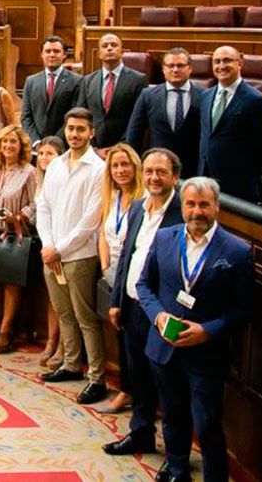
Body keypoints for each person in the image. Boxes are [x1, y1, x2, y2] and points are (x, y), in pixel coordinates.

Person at [136, 177, 254, 482]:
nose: (197, 211)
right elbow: (144, 286)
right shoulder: (164, 237)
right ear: (182, 205)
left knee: (207, 424)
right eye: (190, 204)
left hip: (206, 354)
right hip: (163, 346)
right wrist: (159, 316)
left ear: (216, 207)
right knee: (172, 415)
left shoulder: (237, 252)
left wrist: (207, 330)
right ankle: (177, 471)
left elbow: (243, 311)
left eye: (204, 204)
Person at [104, 147, 184, 458]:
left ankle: (176, 456)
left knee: (168, 384)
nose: (153, 177)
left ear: (174, 176)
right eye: (149, 171)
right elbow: (126, 256)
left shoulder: (182, 211)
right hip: (133, 306)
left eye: (161, 172)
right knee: (137, 377)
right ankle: (141, 434)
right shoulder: (138, 207)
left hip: (162, 312)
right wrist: (116, 300)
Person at [36, 107, 108, 405]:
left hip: (80, 254)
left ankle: (97, 378)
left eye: (81, 129)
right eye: (71, 129)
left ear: (91, 133)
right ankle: (70, 364)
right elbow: (43, 206)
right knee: (64, 313)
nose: (75, 134)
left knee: (85, 317)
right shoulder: (55, 164)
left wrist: (59, 249)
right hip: (51, 252)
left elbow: (91, 220)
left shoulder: (98, 169)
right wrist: (48, 245)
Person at [95, 142, 145, 413]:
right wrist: (105, 265)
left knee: (133, 340)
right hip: (112, 272)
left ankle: (132, 392)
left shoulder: (144, 199)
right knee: (120, 334)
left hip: (134, 277)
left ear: (135, 166)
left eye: (125, 164)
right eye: (115, 165)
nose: (120, 170)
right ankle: (128, 389)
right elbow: (103, 232)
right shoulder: (112, 197)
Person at [0, 125, 39, 354]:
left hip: (15, 234)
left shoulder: (29, 171)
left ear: (21, 145)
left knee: (11, 283)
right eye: (5, 142)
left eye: (13, 142)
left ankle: (7, 329)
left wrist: (19, 216)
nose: (8, 146)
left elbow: (36, 203)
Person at [197, 46, 262, 202]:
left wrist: (246, 172)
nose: (221, 66)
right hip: (205, 179)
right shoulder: (205, 95)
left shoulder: (255, 100)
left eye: (227, 60)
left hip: (239, 184)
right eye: (216, 61)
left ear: (240, 63)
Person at [124, 47, 206, 179]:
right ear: (163, 69)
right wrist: (136, 166)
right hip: (156, 170)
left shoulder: (204, 96)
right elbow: (134, 133)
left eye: (180, 65)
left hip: (192, 170)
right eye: (170, 66)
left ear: (190, 68)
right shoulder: (148, 95)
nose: (175, 70)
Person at [74, 33, 147, 152]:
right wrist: (93, 148)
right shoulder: (87, 81)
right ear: (98, 53)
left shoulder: (138, 80)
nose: (109, 48)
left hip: (125, 150)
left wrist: (119, 148)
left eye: (114, 45)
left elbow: (138, 120)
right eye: (105, 46)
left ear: (122, 51)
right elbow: (82, 116)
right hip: (94, 151)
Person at [34, 136, 66, 370]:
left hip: (61, 245)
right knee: (50, 297)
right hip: (42, 242)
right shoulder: (38, 178)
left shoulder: (63, 178)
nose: (44, 158)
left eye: (50, 154)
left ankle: (64, 346)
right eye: (41, 153)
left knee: (63, 301)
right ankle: (51, 339)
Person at [21, 36, 81, 146]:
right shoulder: (31, 81)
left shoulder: (76, 81)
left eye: (56, 51)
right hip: (37, 148)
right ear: (42, 55)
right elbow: (26, 117)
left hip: (63, 145)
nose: (52, 55)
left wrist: (54, 142)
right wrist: (36, 141)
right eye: (48, 51)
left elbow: (73, 116)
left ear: (64, 55)